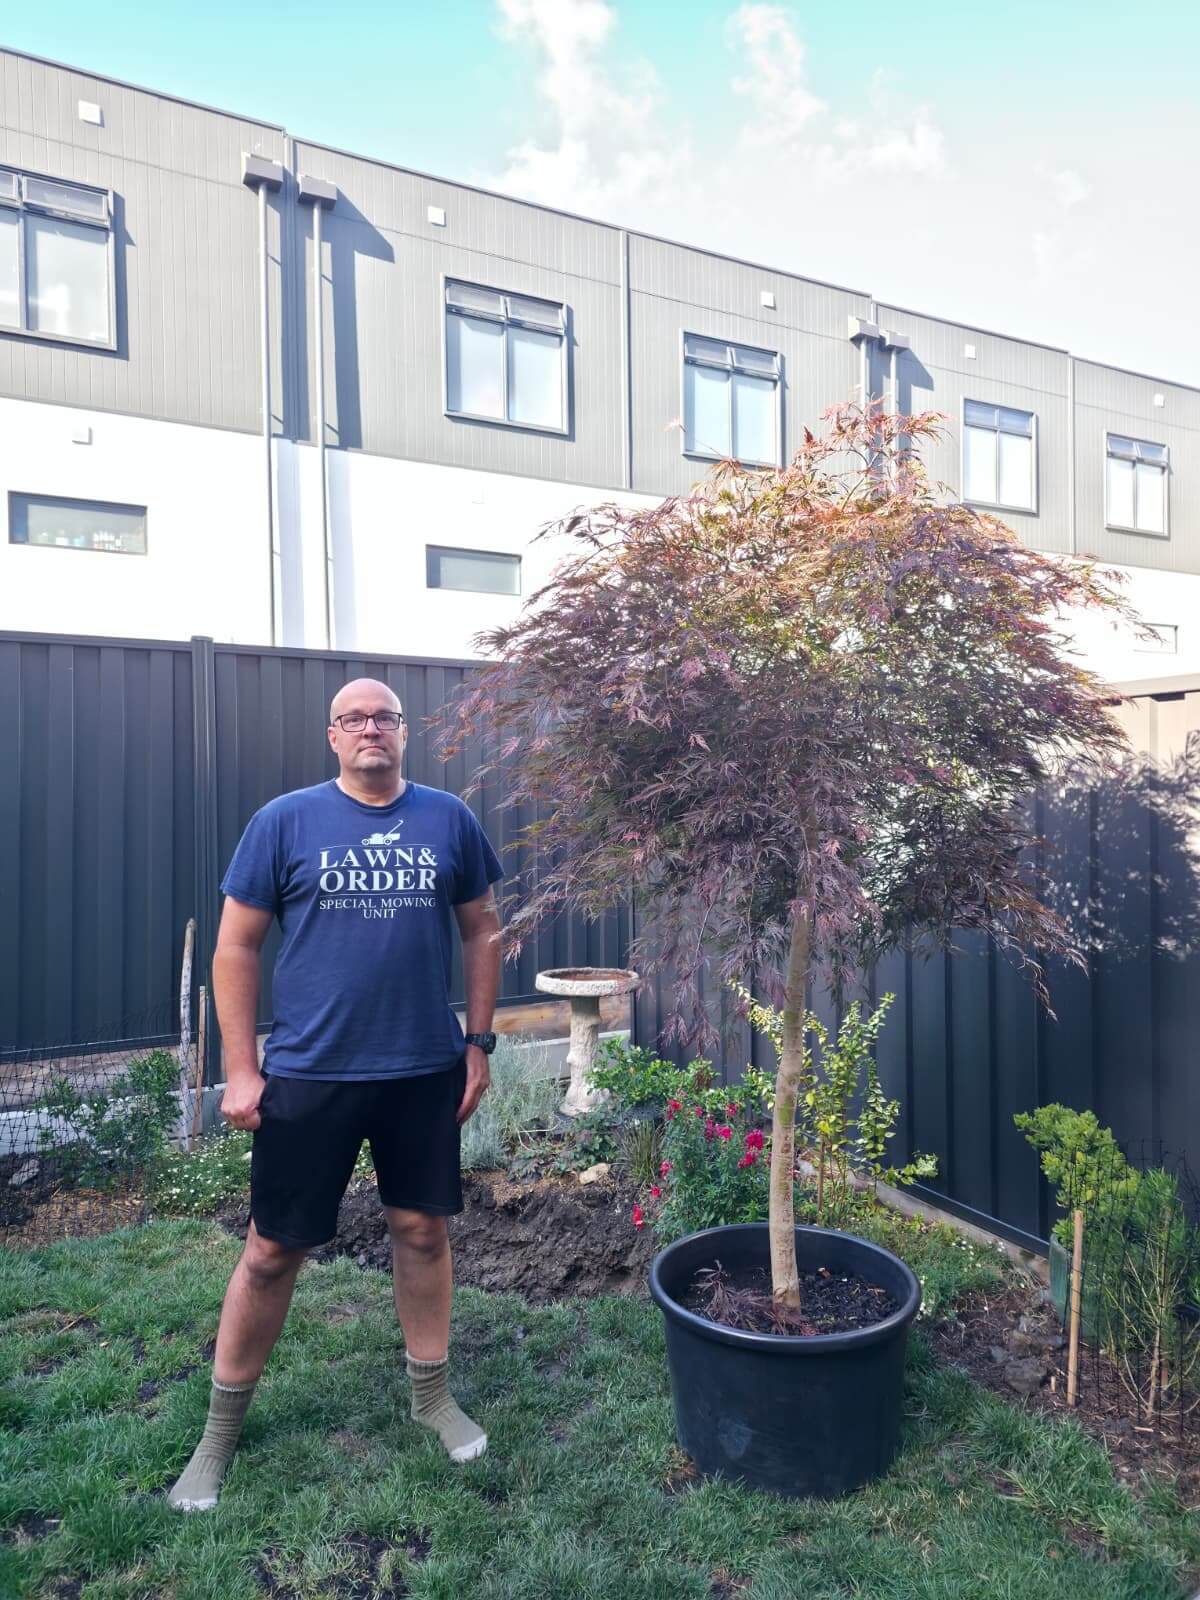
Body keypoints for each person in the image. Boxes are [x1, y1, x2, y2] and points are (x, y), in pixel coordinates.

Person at [168, 677, 503, 1512]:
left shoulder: (449, 819)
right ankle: (217, 1438)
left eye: (384, 718)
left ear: (402, 732)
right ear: (333, 736)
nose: (371, 731)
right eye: (355, 719)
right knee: (273, 1248)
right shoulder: (284, 820)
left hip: (421, 1068)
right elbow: (236, 949)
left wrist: (479, 1041)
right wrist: (242, 1070)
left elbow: (482, 928)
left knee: (422, 1231)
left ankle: (431, 1399)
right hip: (311, 1072)